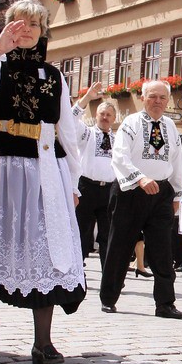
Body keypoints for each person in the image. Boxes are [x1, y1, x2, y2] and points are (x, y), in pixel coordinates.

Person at [0, 0, 86, 364]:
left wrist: (73, 183)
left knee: (46, 246)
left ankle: (43, 342)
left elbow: (67, 132)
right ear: (7, 26)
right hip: (0, 166)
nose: (26, 30)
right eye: (19, 23)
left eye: (33, 25)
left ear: (42, 32)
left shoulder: (53, 75)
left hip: (44, 167)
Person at [100, 79, 182, 318]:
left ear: (167, 101)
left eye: (162, 97)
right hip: (131, 191)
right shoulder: (131, 123)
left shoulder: (171, 126)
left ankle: (165, 303)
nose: (157, 101)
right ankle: (108, 298)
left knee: (163, 249)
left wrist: (177, 193)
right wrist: (140, 178)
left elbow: (177, 161)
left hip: (161, 193)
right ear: (143, 98)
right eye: (152, 96)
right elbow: (120, 156)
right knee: (120, 245)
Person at [68, 81, 117, 267]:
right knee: (82, 232)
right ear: (96, 116)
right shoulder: (86, 134)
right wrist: (87, 97)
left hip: (108, 190)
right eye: (102, 114)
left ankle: (108, 276)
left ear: (114, 118)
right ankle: (76, 273)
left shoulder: (117, 139)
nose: (104, 117)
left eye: (108, 115)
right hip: (86, 188)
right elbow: (71, 119)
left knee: (107, 234)